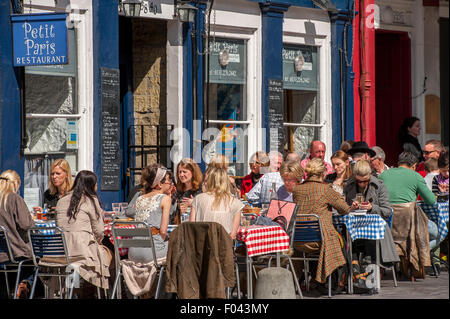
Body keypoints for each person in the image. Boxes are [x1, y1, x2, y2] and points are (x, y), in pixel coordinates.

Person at [292, 158, 350, 291]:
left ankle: (317, 279)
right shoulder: (325, 189)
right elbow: (345, 209)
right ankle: (336, 283)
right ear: (323, 173)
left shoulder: (297, 190)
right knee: (341, 241)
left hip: (297, 241)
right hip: (319, 241)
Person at [379, 152, 436, 278]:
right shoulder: (415, 176)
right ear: (414, 165)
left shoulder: (383, 175)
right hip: (409, 227)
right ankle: (412, 255)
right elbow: (431, 200)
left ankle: (400, 254)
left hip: (386, 227)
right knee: (436, 232)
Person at [55, 170, 112, 293]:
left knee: (79, 263)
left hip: (60, 251)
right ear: (91, 185)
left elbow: (59, 226)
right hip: (81, 252)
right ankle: (98, 292)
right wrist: (98, 242)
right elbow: (99, 231)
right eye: (96, 184)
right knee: (110, 255)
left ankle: (76, 291)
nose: (97, 187)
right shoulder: (91, 200)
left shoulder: (61, 200)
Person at [343, 160, 399, 270]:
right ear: (355, 177)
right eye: (359, 181)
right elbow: (342, 208)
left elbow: (387, 211)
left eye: (365, 181)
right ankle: (353, 266)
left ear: (370, 176)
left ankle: (368, 267)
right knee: (342, 234)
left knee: (369, 237)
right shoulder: (348, 186)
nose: (362, 184)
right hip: (354, 228)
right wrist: (350, 208)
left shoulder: (379, 186)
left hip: (374, 229)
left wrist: (372, 208)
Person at [0, 170, 35, 299]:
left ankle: (15, 287)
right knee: (35, 257)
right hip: (13, 253)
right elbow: (27, 225)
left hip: (2, 253)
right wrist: (31, 218)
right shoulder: (14, 198)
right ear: (15, 184)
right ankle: (23, 284)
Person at [129, 164, 173, 262]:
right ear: (159, 184)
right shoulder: (165, 199)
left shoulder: (139, 199)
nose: (170, 183)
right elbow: (163, 232)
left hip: (133, 251)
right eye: (168, 180)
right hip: (152, 251)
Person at [190, 167, 244, 239]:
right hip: (224, 247)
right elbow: (233, 235)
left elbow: (191, 227)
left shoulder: (198, 199)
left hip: (201, 246)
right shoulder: (236, 203)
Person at [174, 158, 203, 222]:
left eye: (184, 172)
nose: (181, 175)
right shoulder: (178, 190)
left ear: (193, 172)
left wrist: (194, 203)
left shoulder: (201, 189)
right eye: (179, 172)